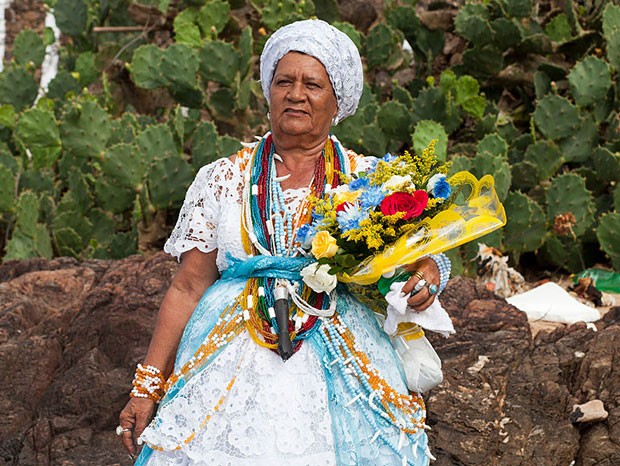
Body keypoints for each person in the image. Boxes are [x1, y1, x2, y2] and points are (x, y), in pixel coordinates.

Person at [118, 19, 451, 466]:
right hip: (228, 353)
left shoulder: (370, 180)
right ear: (268, 91)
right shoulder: (224, 178)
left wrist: (428, 273)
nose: (296, 94)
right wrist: (146, 387)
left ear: (338, 101)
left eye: (312, 84)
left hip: (343, 353)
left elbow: (421, 258)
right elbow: (188, 286)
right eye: (284, 81)